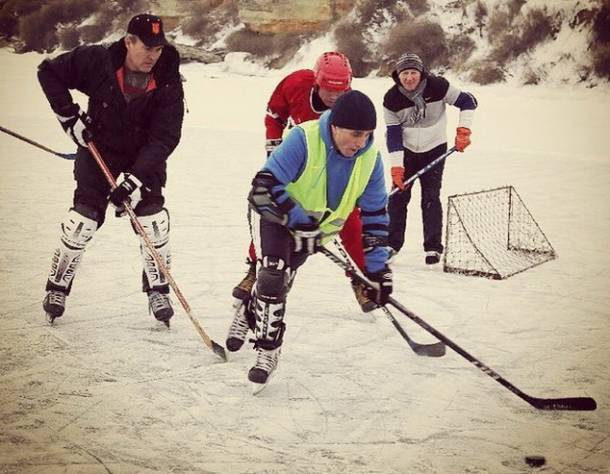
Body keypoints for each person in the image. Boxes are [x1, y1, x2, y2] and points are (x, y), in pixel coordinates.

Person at [227, 90, 393, 392]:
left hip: (315, 233)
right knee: (272, 273)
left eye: (367, 135)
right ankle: (267, 351)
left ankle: (249, 311)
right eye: (355, 134)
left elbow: (375, 216)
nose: (360, 143)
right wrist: (298, 220)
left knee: (278, 283)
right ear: (335, 126)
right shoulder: (304, 138)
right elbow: (263, 188)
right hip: (277, 219)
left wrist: (377, 272)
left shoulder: (371, 159)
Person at [38, 14, 184, 325]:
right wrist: (68, 117)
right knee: (81, 222)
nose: (152, 56)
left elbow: (165, 137)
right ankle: (57, 288)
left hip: (144, 157)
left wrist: (134, 180)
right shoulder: (98, 60)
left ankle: (158, 290)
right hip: (98, 147)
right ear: (128, 41)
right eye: (146, 47)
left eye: (158, 49)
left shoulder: (169, 77)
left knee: (153, 222)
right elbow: (48, 71)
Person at [232, 52, 377, 313]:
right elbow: (274, 115)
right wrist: (275, 151)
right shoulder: (295, 83)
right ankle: (255, 268)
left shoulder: (348, 108)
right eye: (329, 91)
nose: (335, 98)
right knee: (271, 214)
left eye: (341, 91)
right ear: (316, 81)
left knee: (350, 218)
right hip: (298, 163)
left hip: (333, 164)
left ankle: (359, 278)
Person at [383, 52, 477, 264]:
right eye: (404, 73)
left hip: (435, 148)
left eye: (413, 72)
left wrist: (464, 130)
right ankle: (391, 244)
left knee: (431, 197)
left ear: (421, 73)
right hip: (406, 151)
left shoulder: (438, 86)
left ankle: (433, 248)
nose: (409, 78)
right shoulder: (391, 99)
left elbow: (468, 101)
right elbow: (394, 136)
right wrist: (397, 169)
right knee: (398, 197)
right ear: (398, 76)